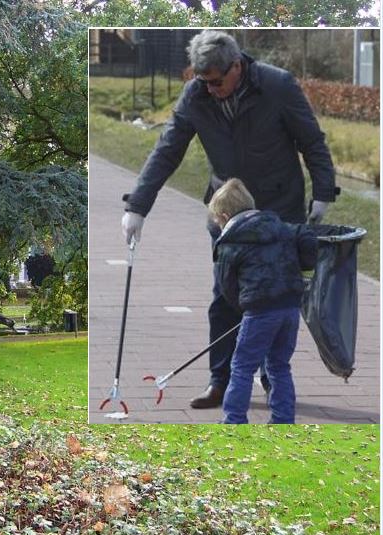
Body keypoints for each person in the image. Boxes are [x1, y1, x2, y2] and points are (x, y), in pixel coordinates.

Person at [120, 30, 337, 409]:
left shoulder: (277, 85)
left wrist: (322, 193)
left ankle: (272, 380)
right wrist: (137, 206)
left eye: (217, 82)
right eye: (203, 82)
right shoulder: (196, 94)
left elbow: (312, 141)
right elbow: (167, 149)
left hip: (277, 210)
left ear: (236, 66)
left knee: (271, 295)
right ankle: (220, 381)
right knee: (225, 297)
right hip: (228, 214)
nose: (211, 89)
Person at [208, 178, 317, 423]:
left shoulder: (229, 243)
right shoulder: (281, 226)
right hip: (289, 306)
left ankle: (234, 421)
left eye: (217, 221)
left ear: (224, 216)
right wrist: (305, 272)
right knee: (279, 365)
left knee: (242, 366)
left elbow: (227, 286)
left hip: (259, 310)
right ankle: (283, 420)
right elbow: (308, 236)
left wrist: (244, 306)